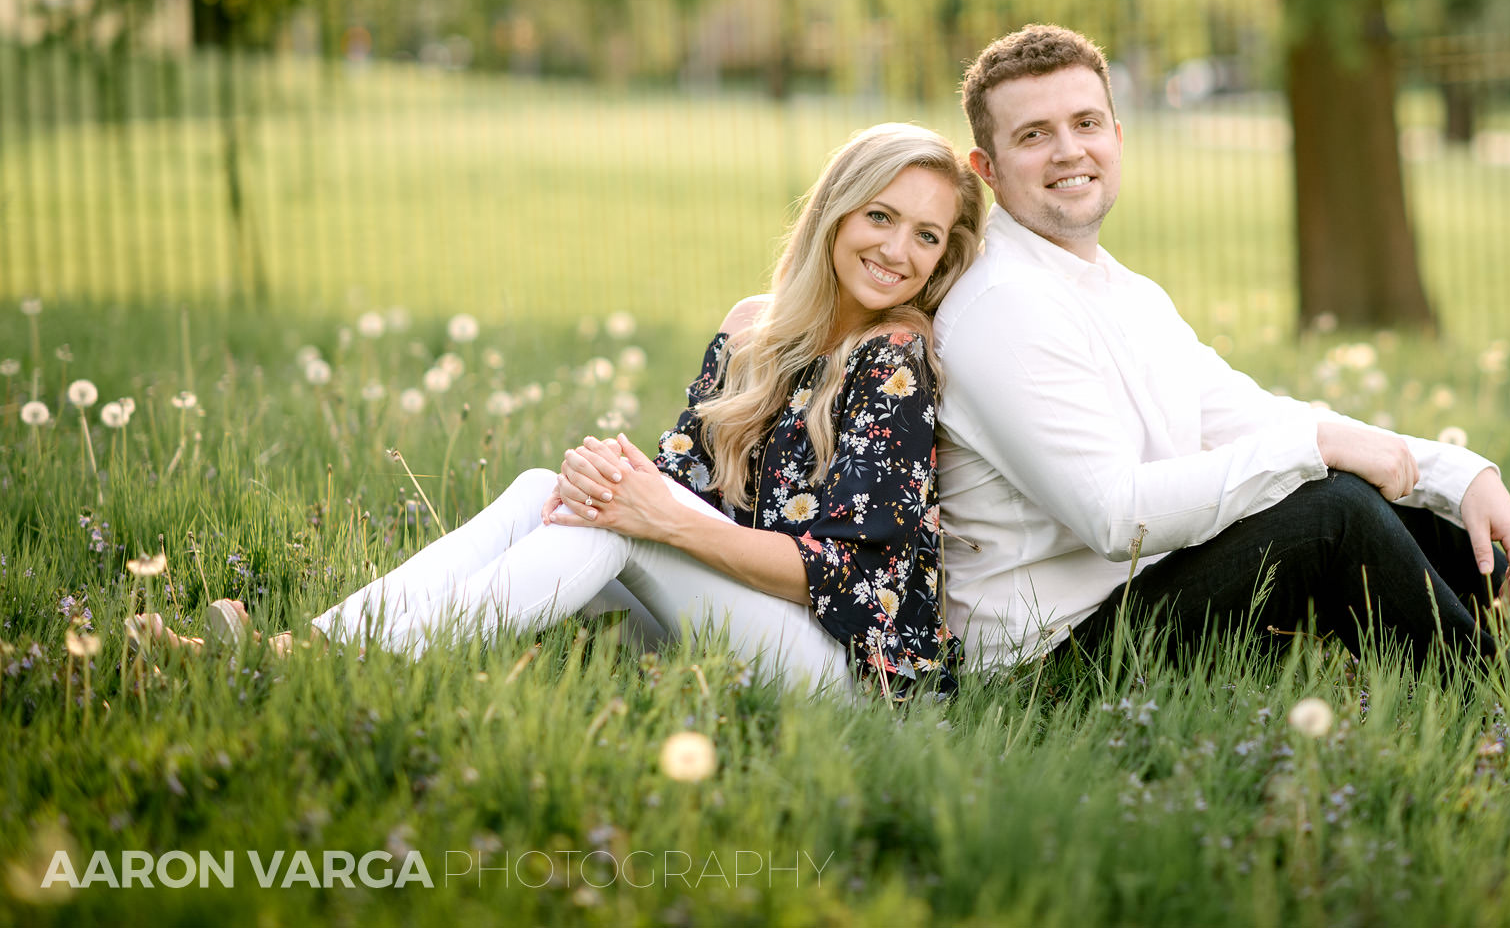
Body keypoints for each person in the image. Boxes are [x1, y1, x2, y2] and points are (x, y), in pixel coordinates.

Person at [153, 123, 984, 696]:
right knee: (540, 486)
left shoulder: (895, 360)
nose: (897, 250)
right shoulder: (750, 329)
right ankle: (300, 652)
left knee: (616, 521)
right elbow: (676, 482)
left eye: (926, 236)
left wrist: (654, 513)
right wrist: (614, 482)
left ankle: (292, 671)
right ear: (836, 212)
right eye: (881, 216)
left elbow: (849, 577)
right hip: (731, 626)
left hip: (849, 673)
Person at [933, 26, 1510, 687]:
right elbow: (1116, 515)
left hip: (1137, 600)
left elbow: (1253, 418)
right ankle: (1505, 711)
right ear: (987, 169)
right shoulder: (1002, 306)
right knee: (1332, 512)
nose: (1069, 150)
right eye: (1034, 134)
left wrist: (1454, 474)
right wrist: (1320, 445)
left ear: (1118, 137)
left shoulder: (1121, 291)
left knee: (1381, 488)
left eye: (1086, 123)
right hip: (1051, 665)